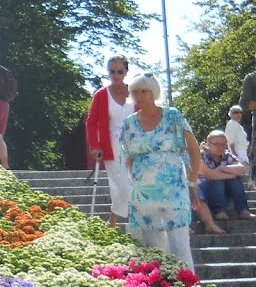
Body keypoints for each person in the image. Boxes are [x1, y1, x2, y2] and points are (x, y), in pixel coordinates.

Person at [120, 73, 202, 270]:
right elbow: (129, 157)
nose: (139, 95)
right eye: (135, 92)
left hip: (173, 187)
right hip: (144, 191)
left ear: (154, 92)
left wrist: (192, 181)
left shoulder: (173, 115)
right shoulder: (129, 123)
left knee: (180, 245)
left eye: (144, 91)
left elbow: (194, 149)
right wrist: (135, 183)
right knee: (154, 249)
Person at [85, 55, 135, 227]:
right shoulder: (101, 94)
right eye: (112, 71)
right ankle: (115, 220)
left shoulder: (135, 92)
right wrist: (94, 146)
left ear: (126, 71)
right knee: (122, 187)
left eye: (119, 71)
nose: (115, 74)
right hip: (112, 146)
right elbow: (91, 122)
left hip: (136, 145)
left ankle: (113, 221)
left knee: (136, 184)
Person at [198, 130, 254, 230]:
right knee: (219, 180)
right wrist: (230, 174)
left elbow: (242, 169)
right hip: (206, 192)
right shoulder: (202, 156)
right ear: (208, 144)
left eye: (223, 144)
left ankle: (243, 210)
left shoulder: (227, 155)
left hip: (224, 192)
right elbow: (209, 175)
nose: (220, 147)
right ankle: (219, 211)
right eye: (217, 144)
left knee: (235, 181)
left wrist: (222, 169)